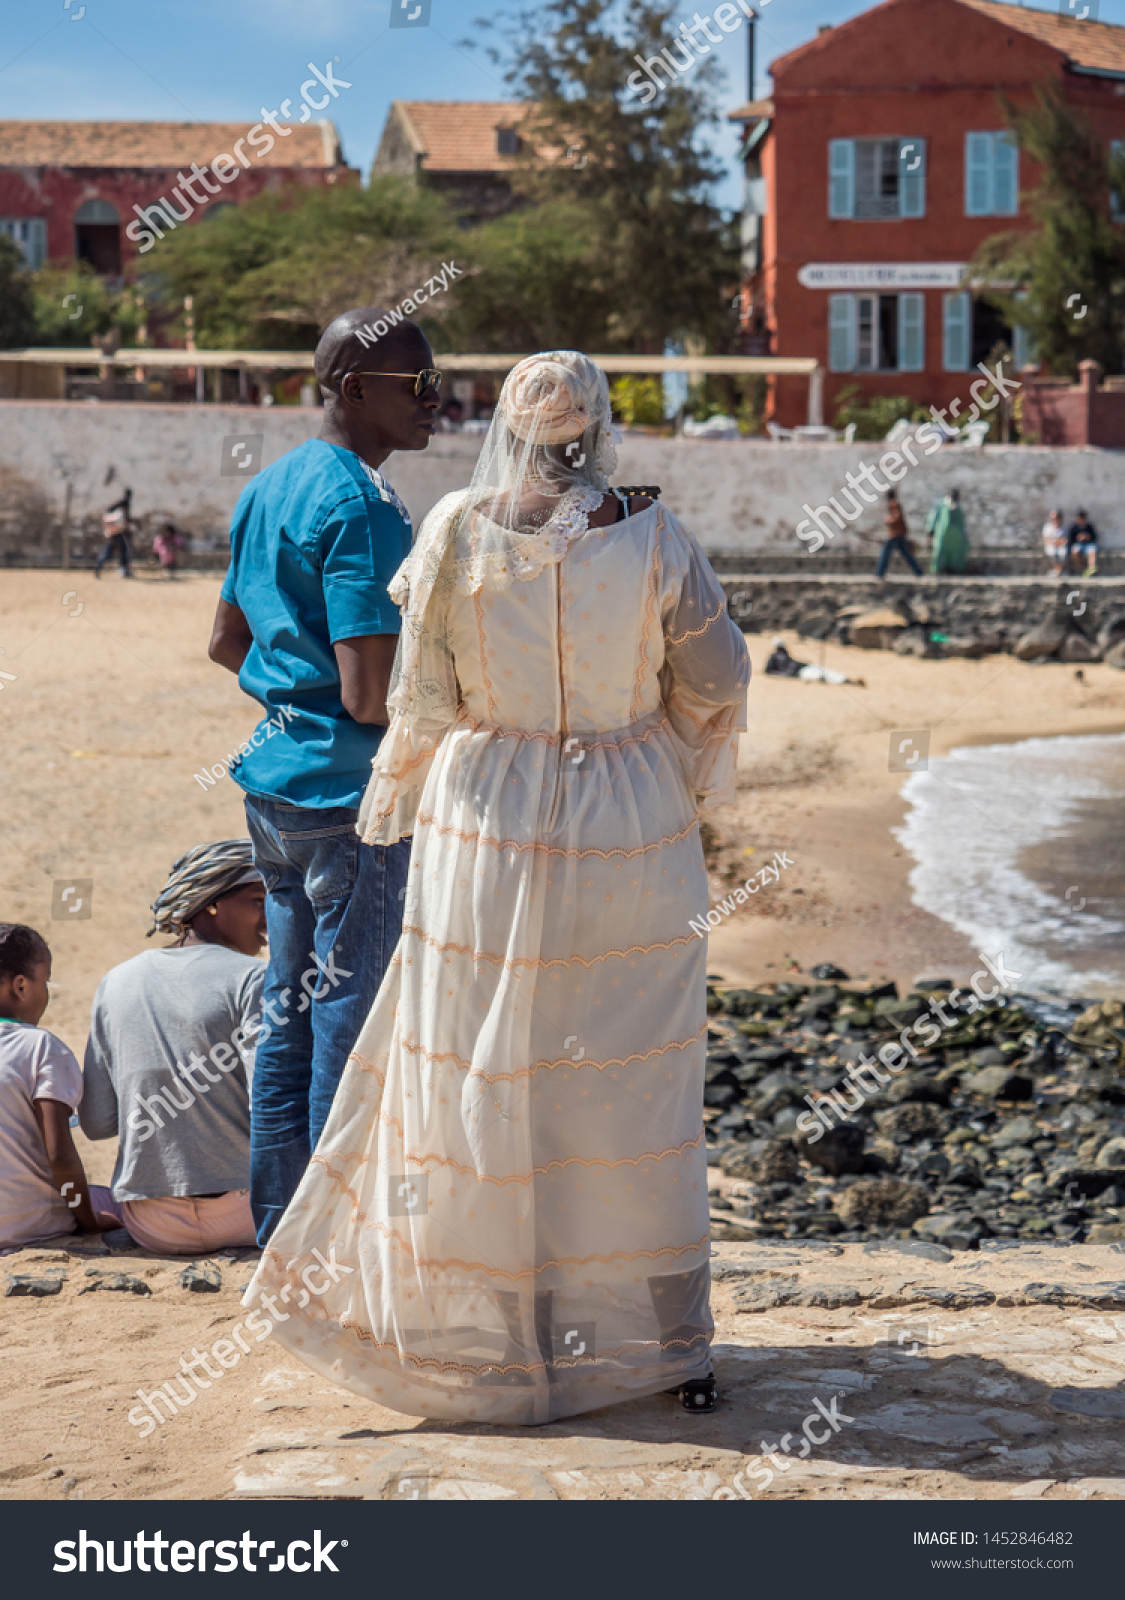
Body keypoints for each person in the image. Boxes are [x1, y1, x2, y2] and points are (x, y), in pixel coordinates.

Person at [243, 349, 752, 1425]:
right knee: (628, 1085)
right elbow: (718, 680)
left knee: (480, 1070)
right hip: (626, 825)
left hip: (489, 825)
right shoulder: (656, 537)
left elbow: (419, 695)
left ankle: (481, 1339)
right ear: (599, 427)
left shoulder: (454, 533)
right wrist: (643, 741)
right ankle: (662, 1345)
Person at [207, 307, 439, 1246]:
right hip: (354, 802)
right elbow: (371, 693)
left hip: (273, 793)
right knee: (350, 1015)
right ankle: (340, 1246)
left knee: (288, 1012)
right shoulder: (364, 508)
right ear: (354, 390)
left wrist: (289, 701)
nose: (438, 401)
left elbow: (226, 643)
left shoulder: (269, 486)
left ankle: (281, 1236)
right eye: (416, 384)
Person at [78, 841, 265, 1255]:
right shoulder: (254, 977)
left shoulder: (117, 980)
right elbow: (267, 1103)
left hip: (153, 1224)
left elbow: (96, 1122)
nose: (271, 918)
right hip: (251, 1215)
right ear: (211, 904)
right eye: (258, 901)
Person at [0, 924, 119, 1253]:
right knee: (122, 1202)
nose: (47, 992)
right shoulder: (40, 1047)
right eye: (45, 980)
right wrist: (88, 1221)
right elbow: (59, 1155)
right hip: (26, 1225)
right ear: (21, 986)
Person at [764, 636, 862, 686]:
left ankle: (848, 679)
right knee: (820, 676)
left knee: (826, 671)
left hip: (805, 667)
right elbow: (768, 671)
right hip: (800, 672)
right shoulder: (774, 657)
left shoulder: (785, 654)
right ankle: (846, 681)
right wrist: (785, 674)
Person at [875, 489, 922, 578]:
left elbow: (897, 517)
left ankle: (879, 573)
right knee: (907, 555)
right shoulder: (895, 504)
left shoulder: (894, 504)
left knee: (886, 553)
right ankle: (918, 572)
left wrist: (888, 521)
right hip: (898, 534)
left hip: (895, 534)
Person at [94, 487, 134, 579]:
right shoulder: (123, 504)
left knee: (110, 552)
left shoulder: (118, 505)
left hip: (112, 534)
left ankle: (99, 567)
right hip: (118, 533)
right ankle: (123, 570)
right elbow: (124, 519)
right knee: (123, 551)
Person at [927, 488, 968, 574]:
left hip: (955, 537)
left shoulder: (957, 508)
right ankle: (939, 569)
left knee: (954, 553)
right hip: (943, 534)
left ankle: (953, 569)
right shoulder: (943, 505)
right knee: (941, 552)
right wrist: (931, 529)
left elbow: (961, 524)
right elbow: (934, 517)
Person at [1067, 508, 1098, 576]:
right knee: (1075, 551)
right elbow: (1070, 539)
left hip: (1088, 544)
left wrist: (1088, 537)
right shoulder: (1074, 527)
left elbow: (1095, 538)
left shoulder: (1089, 527)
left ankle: (1091, 568)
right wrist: (1078, 538)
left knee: (1092, 549)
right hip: (1078, 544)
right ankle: (1082, 569)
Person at [1042, 509, 1068, 577]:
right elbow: (1046, 539)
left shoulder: (1064, 527)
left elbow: (1065, 540)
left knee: (1063, 552)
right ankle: (1058, 571)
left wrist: (1058, 542)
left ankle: (1057, 571)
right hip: (1051, 545)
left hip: (1061, 546)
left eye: (1056, 518)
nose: (1054, 519)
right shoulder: (1047, 527)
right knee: (1052, 552)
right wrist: (1055, 542)